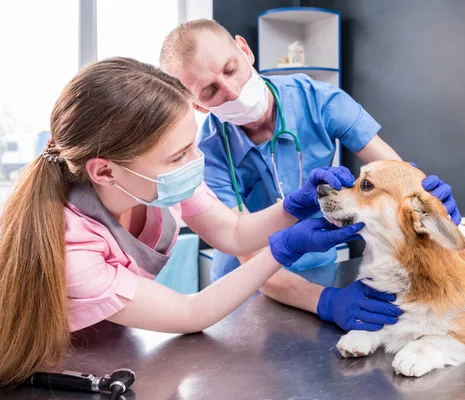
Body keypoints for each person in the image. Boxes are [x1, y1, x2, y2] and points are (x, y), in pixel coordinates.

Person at [0, 57, 369, 387]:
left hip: (111, 343)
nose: (196, 160)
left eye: (192, 143)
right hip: (52, 370)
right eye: (179, 155)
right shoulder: (72, 249)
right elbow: (191, 313)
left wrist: (293, 206)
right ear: (104, 171)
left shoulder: (154, 180)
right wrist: (286, 248)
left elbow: (235, 232)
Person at [160, 19, 462, 333]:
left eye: (231, 68)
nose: (233, 91)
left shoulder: (315, 99)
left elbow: (393, 172)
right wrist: (326, 302)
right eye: (211, 91)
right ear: (198, 105)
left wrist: (424, 198)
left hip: (318, 267)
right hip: (245, 292)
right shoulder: (204, 155)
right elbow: (247, 255)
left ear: (244, 50)